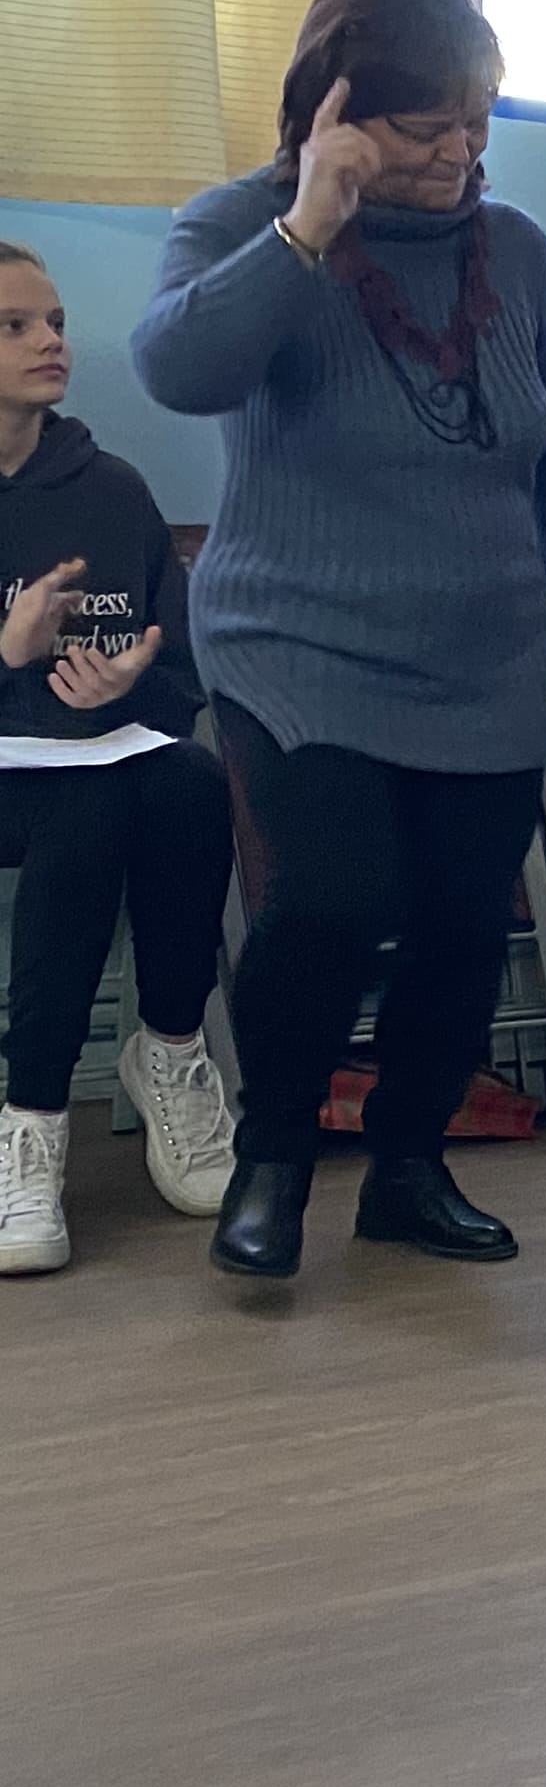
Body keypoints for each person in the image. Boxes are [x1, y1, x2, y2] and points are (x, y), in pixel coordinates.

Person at [132, 0, 546, 1280]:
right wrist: (309, 222)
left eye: (479, 120)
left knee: (464, 922)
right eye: (425, 126)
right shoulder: (239, 222)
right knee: (333, 899)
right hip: (299, 645)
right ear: (334, 109)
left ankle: (408, 1168)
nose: (461, 151)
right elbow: (178, 369)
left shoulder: (519, 252)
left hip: (486, 651)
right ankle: (274, 1161)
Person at [1, 242, 240, 1272]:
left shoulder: (112, 488)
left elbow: (173, 664)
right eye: (15, 326)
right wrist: (6, 653)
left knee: (191, 783)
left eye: (54, 322)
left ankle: (173, 1050)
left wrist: (131, 681)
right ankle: (32, 1118)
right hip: (19, 774)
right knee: (85, 811)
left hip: (106, 754)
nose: (50, 341)